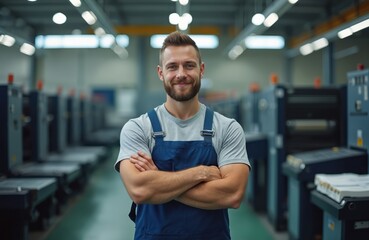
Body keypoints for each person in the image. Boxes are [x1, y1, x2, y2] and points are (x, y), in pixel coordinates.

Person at [115, 31, 250, 240]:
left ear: (201, 70)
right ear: (160, 73)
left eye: (189, 65)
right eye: (172, 66)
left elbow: (232, 194)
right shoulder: (138, 128)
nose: (181, 74)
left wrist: (159, 183)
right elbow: (140, 190)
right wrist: (202, 173)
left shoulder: (227, 128)